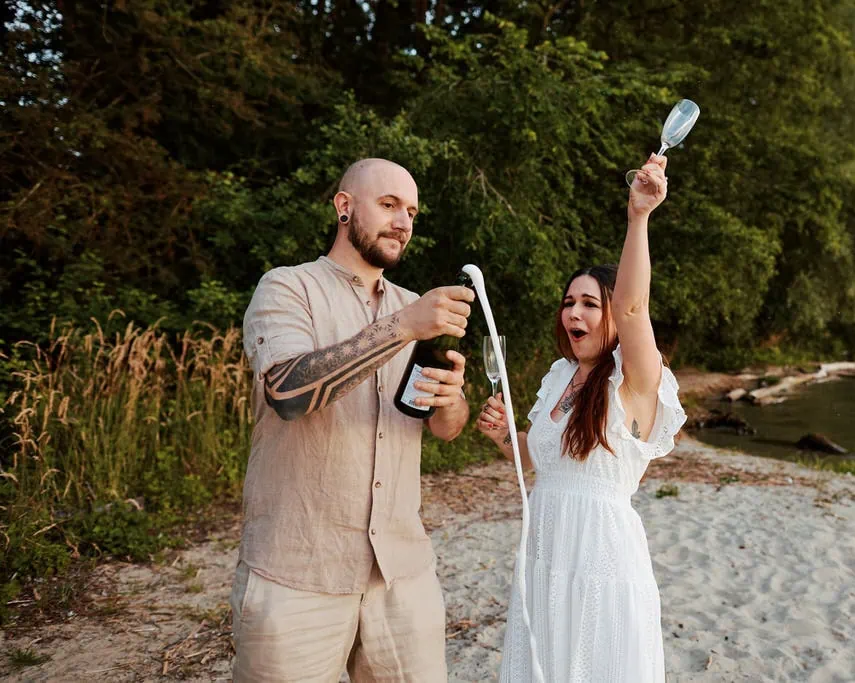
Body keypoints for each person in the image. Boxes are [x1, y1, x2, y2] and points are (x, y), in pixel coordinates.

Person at [232, 158, 474, 682]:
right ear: (344, 207)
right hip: (298, 571)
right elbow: (288, 391)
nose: (403, 223)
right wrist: (402, 327)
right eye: (388, 205)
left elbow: (444, 428)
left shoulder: (415, 306)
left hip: (402, 575)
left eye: (411, 211)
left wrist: (451, 400)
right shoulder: (287, 288)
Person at [477, 154, 686, 682]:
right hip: (546, 557)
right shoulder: (558, 376)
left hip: (600, 561)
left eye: (591, 304)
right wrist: (506, 436)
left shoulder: (634, 380)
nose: (574, 313)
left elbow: (636, 309)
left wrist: (638, 216)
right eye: (570, 302)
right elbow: (538, 460)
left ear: (613, 314)